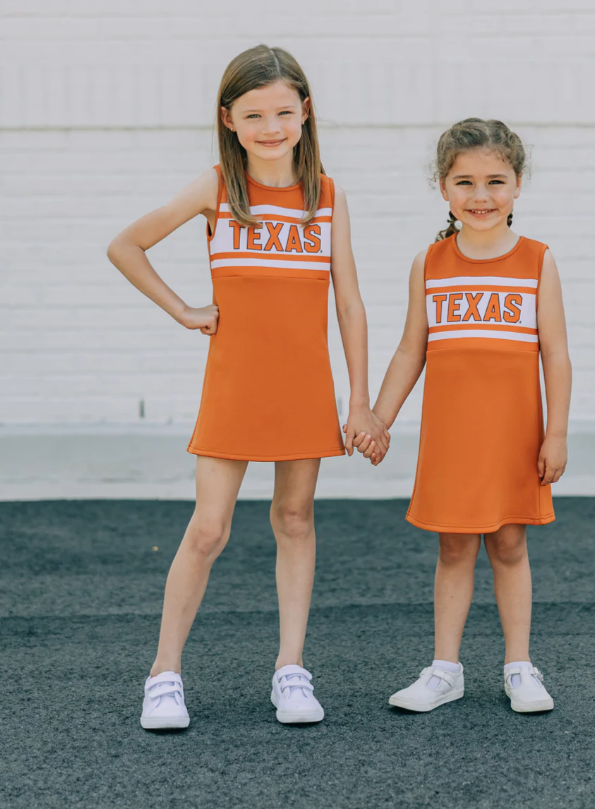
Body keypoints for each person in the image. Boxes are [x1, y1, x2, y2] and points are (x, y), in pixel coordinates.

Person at [107, 44, 389, 729]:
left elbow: (349, 304)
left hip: (304, 387)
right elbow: (126, 245)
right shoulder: (215, 190)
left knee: (294, 521)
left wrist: (359, 400)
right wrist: (185, 310)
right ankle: (163, 675)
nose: (271, 127)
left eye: (283, 112)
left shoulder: (327, 195)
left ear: (305, 113)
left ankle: (291, 671)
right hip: (235, 386)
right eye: (254, 113)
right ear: (228, 118)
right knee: (208, 529)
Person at [355, 118, 571, 714]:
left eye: (496, 181)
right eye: (465, 182)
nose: (481, 196)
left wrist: (556, 431)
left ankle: (520, 667)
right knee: (453, 548)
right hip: (452, 437)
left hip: (514, 436)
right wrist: (378, 416)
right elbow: (410, 350)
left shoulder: (536, 262)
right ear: (443, 188)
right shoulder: (430, 263)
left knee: (508, 543)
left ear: (518, 185)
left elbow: (555, 352)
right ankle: (445, 670)